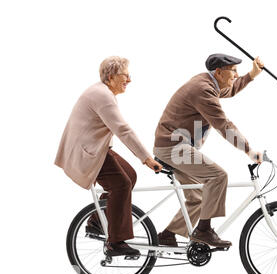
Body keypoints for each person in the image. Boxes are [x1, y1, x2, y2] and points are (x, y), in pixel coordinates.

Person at [55, 56, 162, 257]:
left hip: (95, 149)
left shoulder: (102, 92)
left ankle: (97, 220)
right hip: (87, 153)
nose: (129, 80)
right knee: (121, 184)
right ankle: (116, 242)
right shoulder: (101, 95)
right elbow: (123, 130)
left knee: (130, 176)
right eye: (125, 75)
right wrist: (147, 158)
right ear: (111, 77)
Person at [153, 53, 264, 248]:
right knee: (218, 176)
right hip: (173, 148)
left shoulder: (209, 83)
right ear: (219, 72)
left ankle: (168, 235)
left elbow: (229, 90)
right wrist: (249, 150)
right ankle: (203, 230)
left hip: (176, 146)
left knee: (199, 197)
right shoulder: (203, 90)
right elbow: (224, 126)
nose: (236, 75)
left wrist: (251, 75)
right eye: (234, 71)